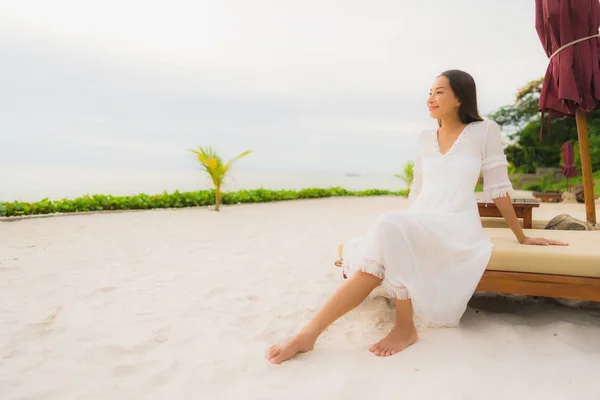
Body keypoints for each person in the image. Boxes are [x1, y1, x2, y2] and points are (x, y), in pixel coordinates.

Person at [267, 69, 569, 365]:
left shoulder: (484, 131)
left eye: (439, 92)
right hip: (423, 218)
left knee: (388, 225)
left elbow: (499, 189)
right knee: (385, 239)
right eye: (429, 92)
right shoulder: (425, 138)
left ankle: (404, 325)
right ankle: (309, 334)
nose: (431, 98)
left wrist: (522, 235)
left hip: (457, 224)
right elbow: (418, 193)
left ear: (460, 99)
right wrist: (405, 232)